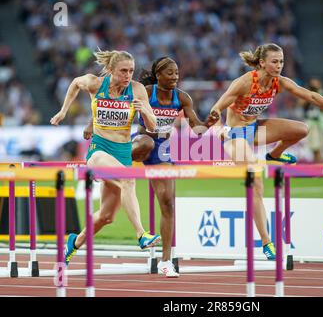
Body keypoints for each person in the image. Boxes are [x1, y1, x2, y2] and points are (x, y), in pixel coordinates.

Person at [210, 43, 323, 260]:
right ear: (262, 63)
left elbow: (312, 97)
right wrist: (219, 129)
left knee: (301, 129)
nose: (279, 66)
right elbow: (215, 109)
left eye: (281, 62)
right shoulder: (243, 83)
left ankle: (274, 155)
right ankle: (267, 242)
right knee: (256, 180)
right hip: (235, 135)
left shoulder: (280, 83)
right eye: (274, 62)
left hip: (255, 129)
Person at [84, 56, 219, 277]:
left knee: (168, 205)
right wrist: (92, 124)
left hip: (163, 149)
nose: (175, 77)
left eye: (177, 73)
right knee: (145, 142)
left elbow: (197, 128)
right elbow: (109, 103)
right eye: (170, 73)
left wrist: (209, 126)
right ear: (158, 75)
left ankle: (166, 261)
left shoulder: (183, 98)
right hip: (140, 142)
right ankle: (104, 167)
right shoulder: (145, 91)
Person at [50, 50, 161, 266]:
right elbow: (74, 83)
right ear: (111, 70)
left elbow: (154, 126)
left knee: (106, 216)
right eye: (123, 71)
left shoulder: (137, 90)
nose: (128, 75)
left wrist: (145, 112)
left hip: (122, 152)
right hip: (99, 151)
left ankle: (74, 242)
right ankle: (141, 235)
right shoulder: (95, 84)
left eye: (131, 71)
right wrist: (64, 111)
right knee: (129, 179)